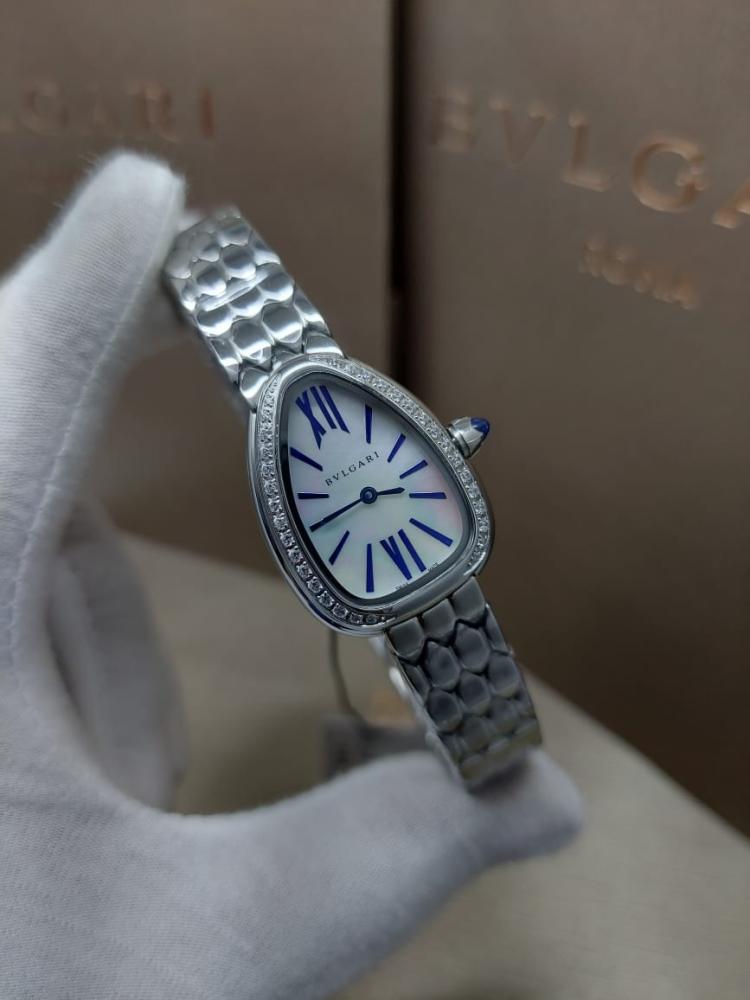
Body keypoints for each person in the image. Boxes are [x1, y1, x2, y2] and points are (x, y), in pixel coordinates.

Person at [0, 152, 582, 998]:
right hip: (387, 567)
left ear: (444, 442)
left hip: (397, 568)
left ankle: (480, 731)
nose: (367, 490)